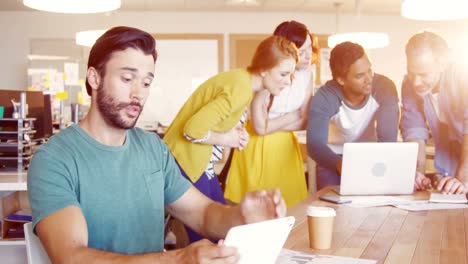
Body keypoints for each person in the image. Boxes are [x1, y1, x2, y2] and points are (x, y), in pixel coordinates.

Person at [27, 26, 287, 263]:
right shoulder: (54, 159)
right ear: (94, 79)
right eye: (127, 79)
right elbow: (71, 257)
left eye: (147, 82)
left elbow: (203, 214)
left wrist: (243, 217)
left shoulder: (152, 148)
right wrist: (177, 260)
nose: (138, 93)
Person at [163, 35, 297, 243]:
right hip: (185, 161)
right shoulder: (241, 88)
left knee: (224, 229)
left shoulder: (243, 82)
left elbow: (217, 119)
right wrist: (227, 139)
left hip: (198, 162)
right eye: (283, 74)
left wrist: (234, 132)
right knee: (209, 237)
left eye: (291, 74)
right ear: (263, 69)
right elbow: (192, 130)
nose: (288, 81)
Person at [225, 20, 318, 208]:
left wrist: (273, 124)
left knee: (289, 208)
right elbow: (259, 128)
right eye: (303, 50)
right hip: (256, 147)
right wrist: (292, 116)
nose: (309, 56)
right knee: (254, 211)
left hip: (285, 148)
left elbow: (306, 121)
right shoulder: (268, 72)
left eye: (311, 48)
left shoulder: (308, 74)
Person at [307, 41, 399, 190]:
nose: (369, 78)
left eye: (370, 70)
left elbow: (387, 138)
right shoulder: (325, 97)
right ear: (341, 80)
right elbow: (315, 145)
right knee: (330, 205)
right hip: (333, 157)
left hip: (370, 154)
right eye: (360, 75)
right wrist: (341, 166)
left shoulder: (384, 87)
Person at [400, 31, 468, 194]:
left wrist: (463, 178)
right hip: (453, 159)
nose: (416, 82)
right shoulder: (409, 85)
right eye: (411, 72)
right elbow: (413, 131)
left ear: (442, 65)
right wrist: (416, 173)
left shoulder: (462, 76)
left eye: (424, 74)